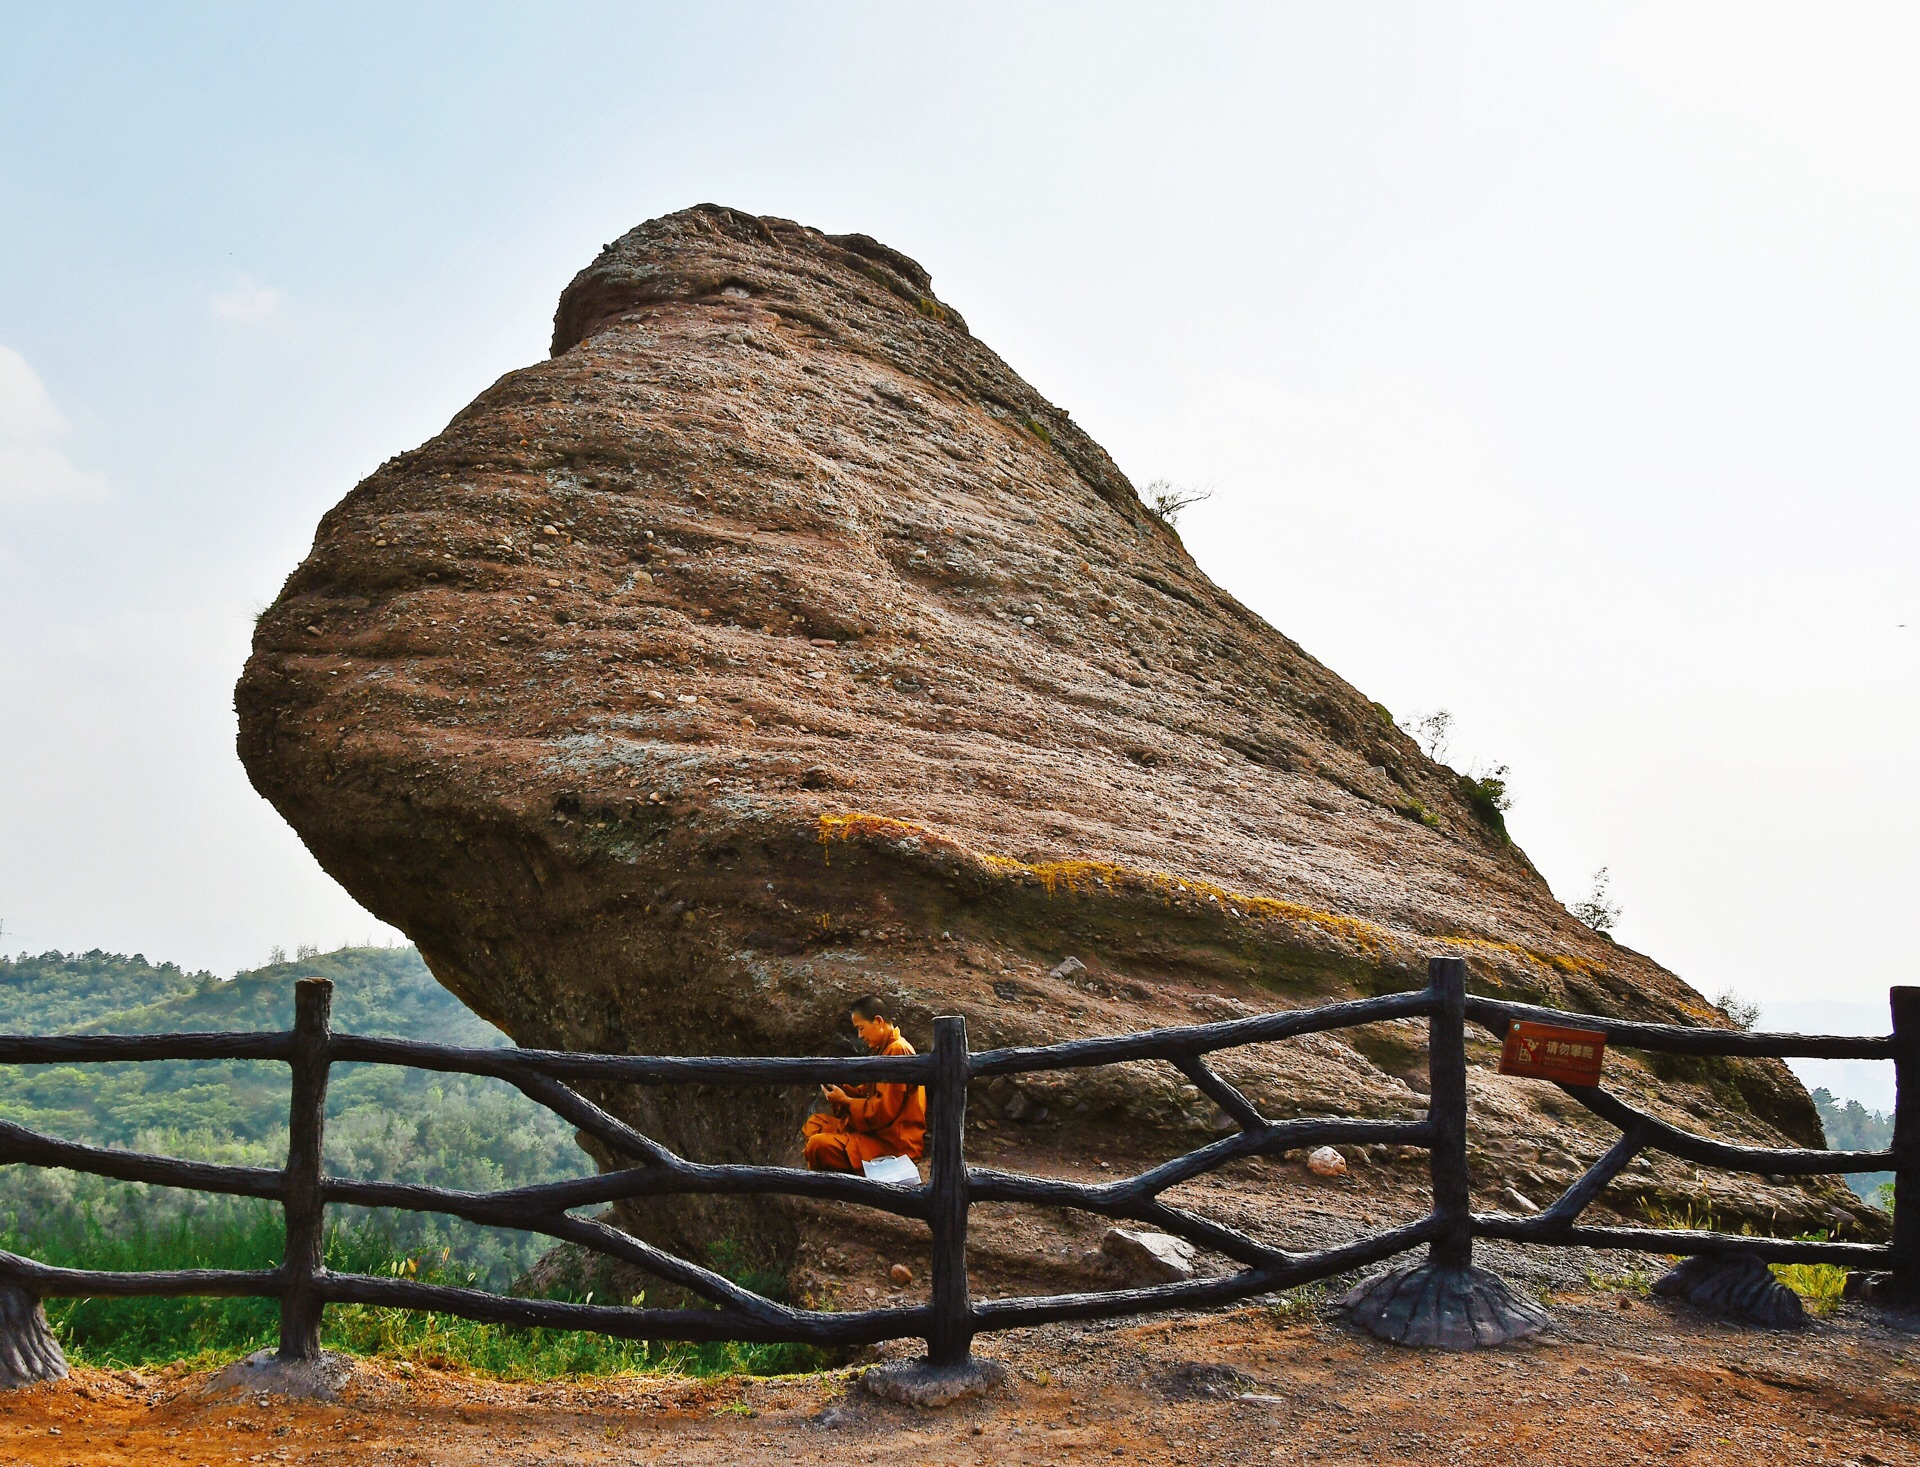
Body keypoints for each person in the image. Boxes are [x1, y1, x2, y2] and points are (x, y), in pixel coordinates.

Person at [802, 995, 926, 1173]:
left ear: (878, 1021)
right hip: (875, 1134)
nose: (860, 1036)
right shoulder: (883, 1049)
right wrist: (841, 1088)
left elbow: (883, 1111)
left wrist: (845, 1101)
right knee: (816, 1123)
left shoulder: (898, 1049)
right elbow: (869, 1094)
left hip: (893, 1145)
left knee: (817, 1145)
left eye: (861, 1028)